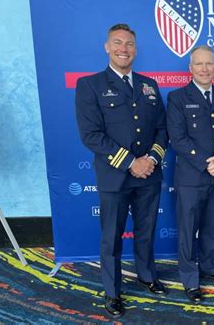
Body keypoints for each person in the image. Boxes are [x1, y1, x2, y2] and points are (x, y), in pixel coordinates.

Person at [75, 23, 168, 318]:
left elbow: (162, 130)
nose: (123, 49)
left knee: (146, 231)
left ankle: (146, 275)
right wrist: (132, 162)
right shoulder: (89, 85)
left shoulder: (149, 85)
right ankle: (112, 291)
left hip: (149, 175)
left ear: (135, 49)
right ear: (107, 47)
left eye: (129, 44)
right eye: (117, 43)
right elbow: (91, 135)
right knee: (112, 238)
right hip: (115, 176)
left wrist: (151, 159)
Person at [166, 45, 214, 303]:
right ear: (190, 68)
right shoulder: (177, 97)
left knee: (212, 225)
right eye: (199, 64)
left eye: (209, 64)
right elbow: (177, 138)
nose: (205, 69)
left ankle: (209, 265)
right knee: (188, 230)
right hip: (191, 177)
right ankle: (190, 279)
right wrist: (207, 162)